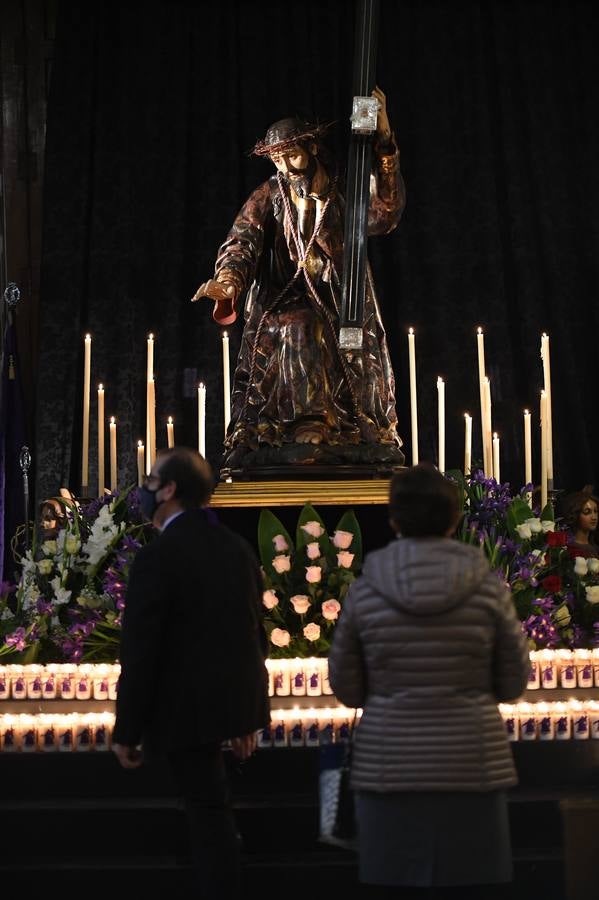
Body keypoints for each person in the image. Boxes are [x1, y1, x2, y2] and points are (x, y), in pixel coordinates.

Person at [327, 463, 530, 899]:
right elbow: (514, 682)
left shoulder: (367, 589)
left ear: (394, 519)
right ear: (455, 519)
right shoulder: (487, 587)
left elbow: (346, 687)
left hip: (389, 765)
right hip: (471, 763)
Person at [192, 86, 406, 472]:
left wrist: (385, 142)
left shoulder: (344, 187)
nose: (287, 169)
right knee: (299, 324)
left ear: (311, 149)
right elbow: (242, 241)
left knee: (335, 332)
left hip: (342, 296)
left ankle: (346, 426)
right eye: (278, 160)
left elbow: (384, 214)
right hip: (285, 295)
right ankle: (303, 423)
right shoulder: (270, 194)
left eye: (292, 156)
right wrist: (228, 281)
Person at [112, 446, 270, 899]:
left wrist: (127, 728)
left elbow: (141, 650)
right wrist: (248, 714)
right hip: (230, 710)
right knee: (212, 811)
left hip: (181, 713)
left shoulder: (158, 556)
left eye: (150, 480)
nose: (145, 489)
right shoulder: (237, 548)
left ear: (168, 490)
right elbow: (252, 635)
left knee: (207, 818)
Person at [562, 486, 599, 559]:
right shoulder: (567, 549)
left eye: (595, 511)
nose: (594, 517)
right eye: (587, 512)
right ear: (575, 515)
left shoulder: (596, 549)